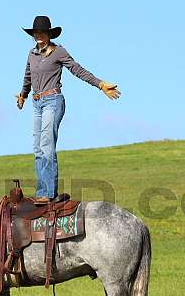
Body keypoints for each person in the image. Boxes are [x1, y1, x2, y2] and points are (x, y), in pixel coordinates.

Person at [16, 15, 120, 204]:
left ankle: (48, 194)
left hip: (52, 101)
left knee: (47, 145)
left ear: (49, 34)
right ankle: (42, 191)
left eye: (42, 32)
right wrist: (23, 94)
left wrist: (100, 84)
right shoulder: (32, 54)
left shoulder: (58, 52)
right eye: (36, 33)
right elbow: (27, 76)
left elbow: (77, 70)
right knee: (38, 148)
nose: (38, 35)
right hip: (36, 103)